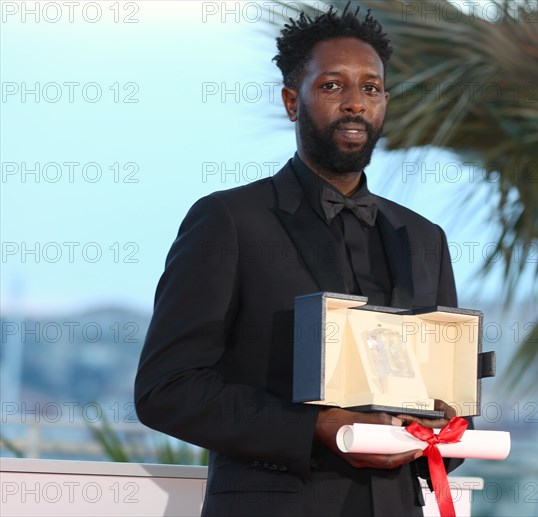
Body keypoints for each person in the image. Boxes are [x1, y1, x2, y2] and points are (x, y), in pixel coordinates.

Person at [135, 4, 464, 516]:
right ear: (292, 101)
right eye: (332, 86)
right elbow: (166, 389)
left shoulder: (425, 238)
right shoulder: (229, 220)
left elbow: (444, 402)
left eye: (371, 88)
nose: (355, 103)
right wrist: (315, 427)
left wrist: (445, 423)